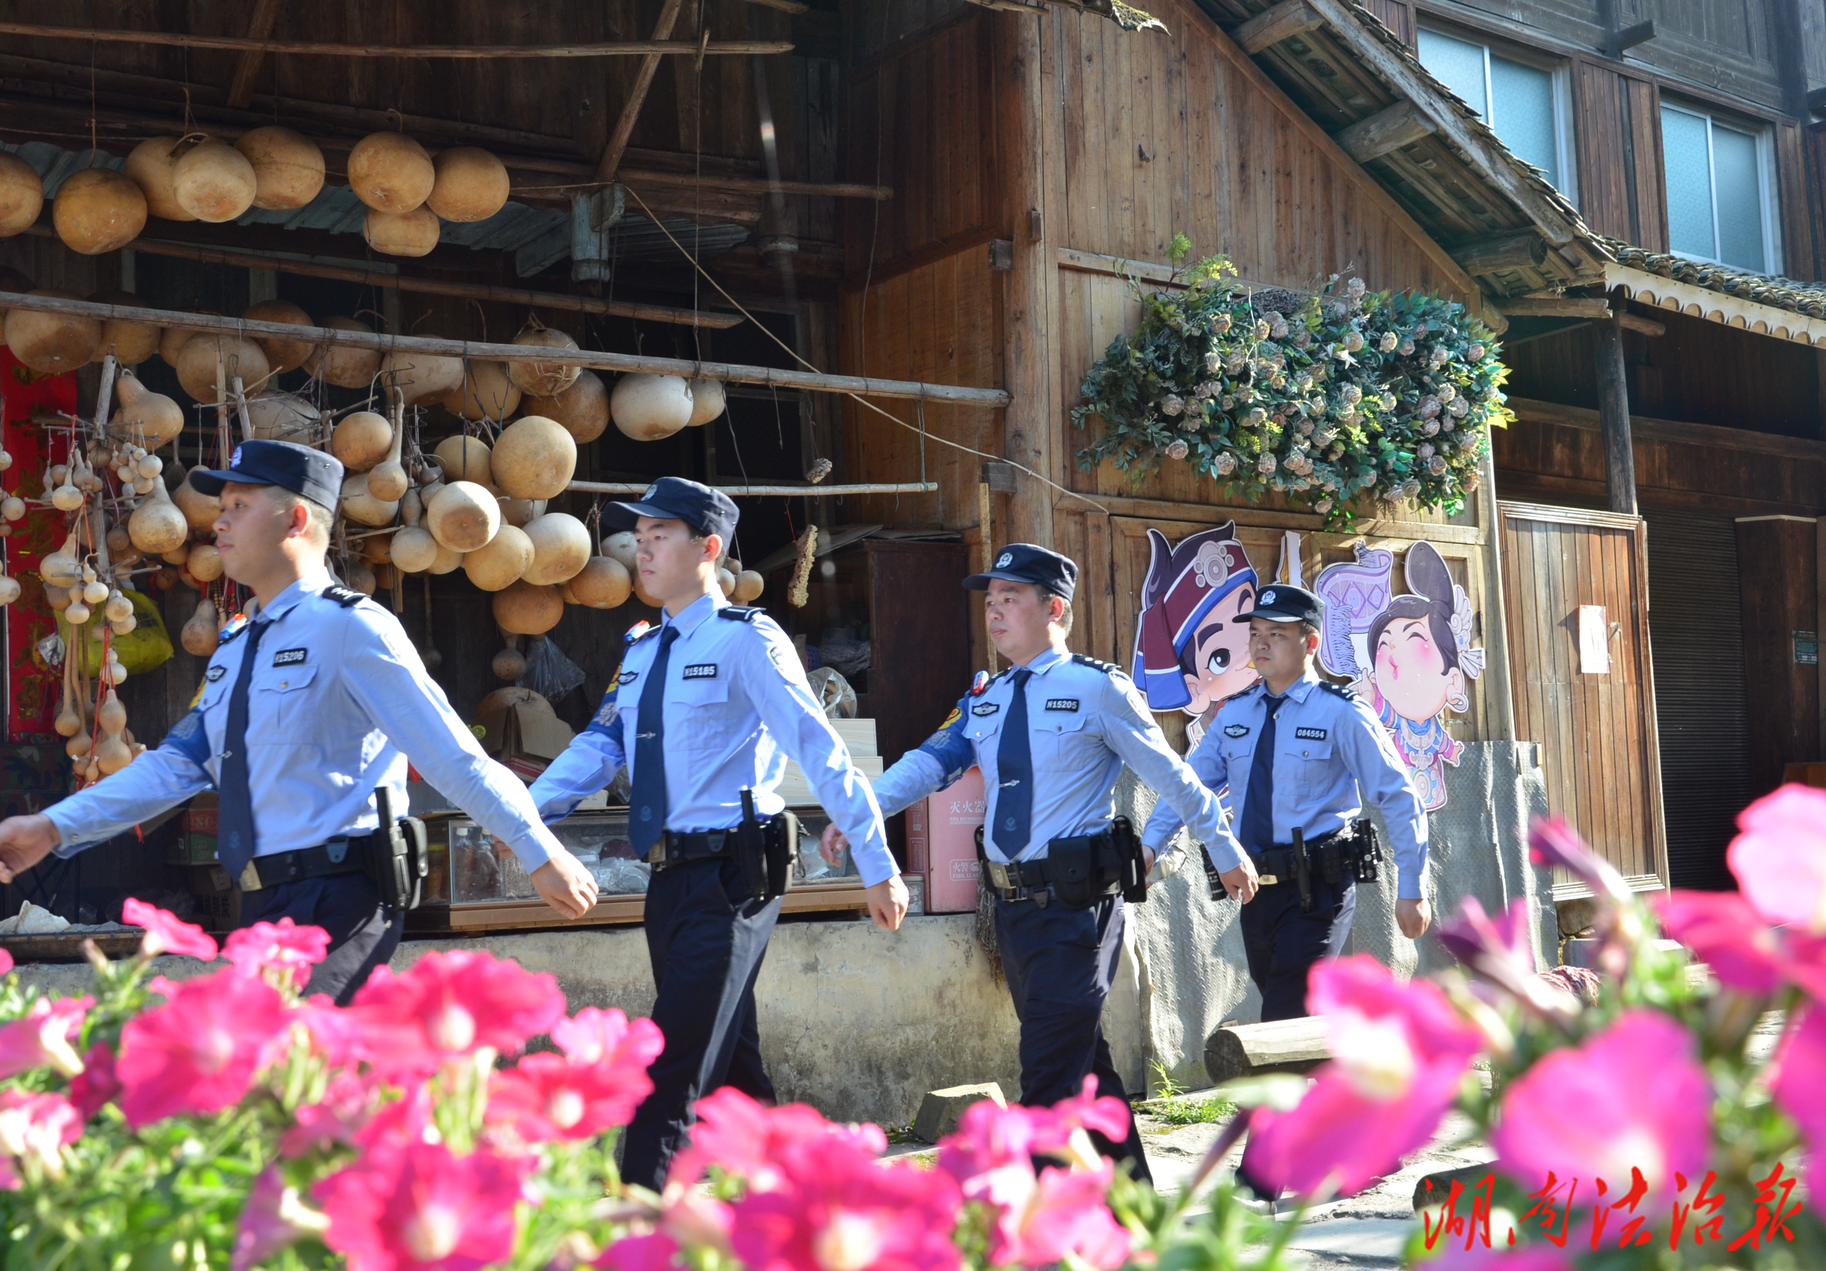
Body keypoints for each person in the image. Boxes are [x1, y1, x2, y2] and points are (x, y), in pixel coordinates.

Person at [0, 440, 599, 1002]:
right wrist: (54, 826)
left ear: (296, 520)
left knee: (304, 1087)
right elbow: (177, 764)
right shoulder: (236, 646)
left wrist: (538, 849)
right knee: (270, 1109)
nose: (218, 519)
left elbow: (451, 756)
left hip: (342, 899)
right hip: (258, 903)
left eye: (240, 504)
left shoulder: (353, 628)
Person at [526, 476, 908, 1191]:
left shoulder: (747, 639)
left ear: (708, 547)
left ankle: (634, 1214)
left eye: (658, 535)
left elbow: (818, 746)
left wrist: (874, 858)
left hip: (735, 874)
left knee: (672, 1065)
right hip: (667, 879)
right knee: (732, 1070)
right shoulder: (640, 651)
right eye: (636, 537)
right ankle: (798, 1203)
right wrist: (524, 814)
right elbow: (599, 746)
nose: (641, 548)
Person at [826, 543, 1253, 1182]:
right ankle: (1128, 1208)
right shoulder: (985, 697)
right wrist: (860, 809)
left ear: (1054, 607)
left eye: (1010, 599)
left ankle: (1033, 1228)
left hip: (1078, 911)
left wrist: (1222, 848)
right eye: (990, 601)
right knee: (1083, 1067)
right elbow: (929, 762)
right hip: (1014, 911)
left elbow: (1176, 777)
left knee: (1047, 1073)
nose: (994, 613)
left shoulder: (1098, 688)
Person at [1148, 583, 1431, 1022]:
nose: (1260, 643)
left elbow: (1396, 795)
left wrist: (1412, 887)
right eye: (1255, 632)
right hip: (1254, 890)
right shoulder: (1235, 713)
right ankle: (1352, 1079)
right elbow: (1188, 786)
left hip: (1318, 890)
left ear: (1311, 642)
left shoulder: (1342, 712)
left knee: (1285, 1017)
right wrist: (1151, 845)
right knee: (1293, 1016)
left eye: (1276, 634)